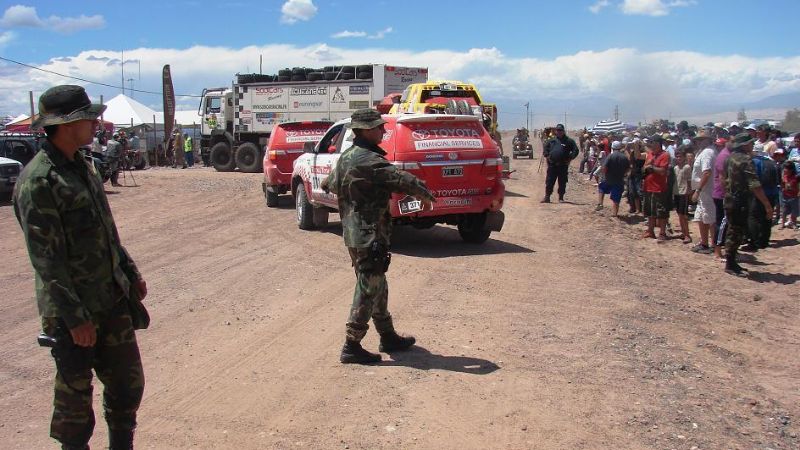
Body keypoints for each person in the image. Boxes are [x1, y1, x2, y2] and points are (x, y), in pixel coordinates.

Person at [11, 85, 147, 449]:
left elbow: (106, 230)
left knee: (126, 385)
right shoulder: (39, 181)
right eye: (89, 117)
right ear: (67, 124)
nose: (95, 123)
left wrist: (130, 273)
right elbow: (47, 261)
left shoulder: (83, 166)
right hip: (75, 311)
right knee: (75, 406)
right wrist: (74, 318)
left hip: (110, 298)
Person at [320, 109, 435, 364]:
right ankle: (352, 344)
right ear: (362, 130)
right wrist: (425, 195)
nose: (383, 131)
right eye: (378, 128)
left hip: (356, 231)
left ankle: (387, 335)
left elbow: (327, 184)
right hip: (367, 233)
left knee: (377, 282)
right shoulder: (366, 160)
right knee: (369, 285)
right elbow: (399, 177)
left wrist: (355, 194)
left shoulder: (348, 157)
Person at [723, 133, 774, 277]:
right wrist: (767, 205)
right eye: (750, 143)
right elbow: (754, 184)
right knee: (736, 231)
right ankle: (730, 263)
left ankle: (731, 261)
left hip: (729, 198)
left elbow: (723, 178)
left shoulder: (729, 158)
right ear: (745, 145)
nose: (752, 145)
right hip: (740, 200)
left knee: (733, 230)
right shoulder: (745, 160)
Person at [747, 141, 780, 249]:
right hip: (773, 192)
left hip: (760, 193)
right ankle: (764, 241)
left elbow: (754, 180)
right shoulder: (772, 162)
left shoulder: (755, 162)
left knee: (753, 217)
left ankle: (754, 242)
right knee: (767, 217)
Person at [690, 131, 717, 254]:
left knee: (710, 217)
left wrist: (698, 189)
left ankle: (714, 245)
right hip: (703, 191)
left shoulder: (707, 153)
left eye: (701, 139)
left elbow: (707, 172)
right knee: (701, 217)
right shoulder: (703, 152)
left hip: (707, 190)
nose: (698, 142)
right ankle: (704, 243)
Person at [541, 123, 579, 203]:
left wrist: (570, 158)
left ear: (563, 131)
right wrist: (547, 156)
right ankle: (547, 197)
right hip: (552, 165)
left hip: (563, 165)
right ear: (555, 131)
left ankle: (561, 197)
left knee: (562, 182)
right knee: (549, 181)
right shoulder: (551, 140)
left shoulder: (569, 141)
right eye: (558, 130)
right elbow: (545, 149)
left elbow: (576, 150)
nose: (559, 132)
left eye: (560, 130)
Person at [642, 135, 671, 240]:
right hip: (648, 186)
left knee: (661, 211)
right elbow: (644, 168)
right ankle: (650, 231)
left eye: (653, 142)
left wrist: (652, 168)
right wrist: (646, 167)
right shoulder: (650, 155)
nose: (651, 145)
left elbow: (663, 171)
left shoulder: (664, 155)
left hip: (659, 188)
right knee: (649, 211)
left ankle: (662, 232)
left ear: (658, 143)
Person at [595, 140, 629, 216]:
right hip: (619, 180)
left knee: (601, 188)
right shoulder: (624, 157)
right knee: (616, 198)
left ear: (612, 147)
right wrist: (623, 174)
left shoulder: (610, 156)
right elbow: (628, 168)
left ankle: (600, 203)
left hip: (609, 178)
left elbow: (604, 167)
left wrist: (605, 174)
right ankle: (615, 214)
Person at [711, 137, 730, 259]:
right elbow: (723, 178)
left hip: (720, 192)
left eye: (719, 145)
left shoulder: (725, 155)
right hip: (721, 193)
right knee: (721, 223)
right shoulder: (724, 156)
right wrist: (727, 193)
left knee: (724, 223)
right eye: (717, 145)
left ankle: (722, 249)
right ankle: (717, 250)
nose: (718, 147)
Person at [673, 145, 693, 243]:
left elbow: (689, 181)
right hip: (677, 193)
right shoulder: (676, 168)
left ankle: (687, 235)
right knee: (679, 214)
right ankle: (683, 232)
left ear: (684, 157)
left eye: (680, 156)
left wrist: (689, 192)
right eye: (677, 156)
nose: (678, 158)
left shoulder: (687, 167)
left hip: (683, 193)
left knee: (683, 215)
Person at [780, 161, 799, 228]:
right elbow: (782, 184)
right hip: (785, 196)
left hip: (794, 196)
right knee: (784, 210)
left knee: (794, 210)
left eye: (786, 169)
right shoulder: (783, 176)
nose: (784, 170)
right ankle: (782, 224)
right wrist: (782, 188)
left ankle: (793, 223)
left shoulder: (796, 177)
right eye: (784, 168)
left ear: (791, 170)